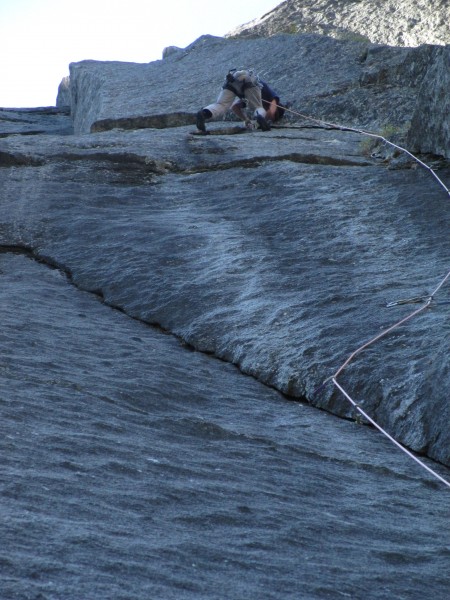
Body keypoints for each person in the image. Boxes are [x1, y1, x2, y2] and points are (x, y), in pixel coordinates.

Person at [196, 69, 272, 133]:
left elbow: (235, 106)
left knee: (221, 105)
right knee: (257, 106)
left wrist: (246, 120)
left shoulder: (246, 98)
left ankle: (204, 113)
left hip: (232, 80)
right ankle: (260, 117)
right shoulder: (261, 88)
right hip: (250, 81)